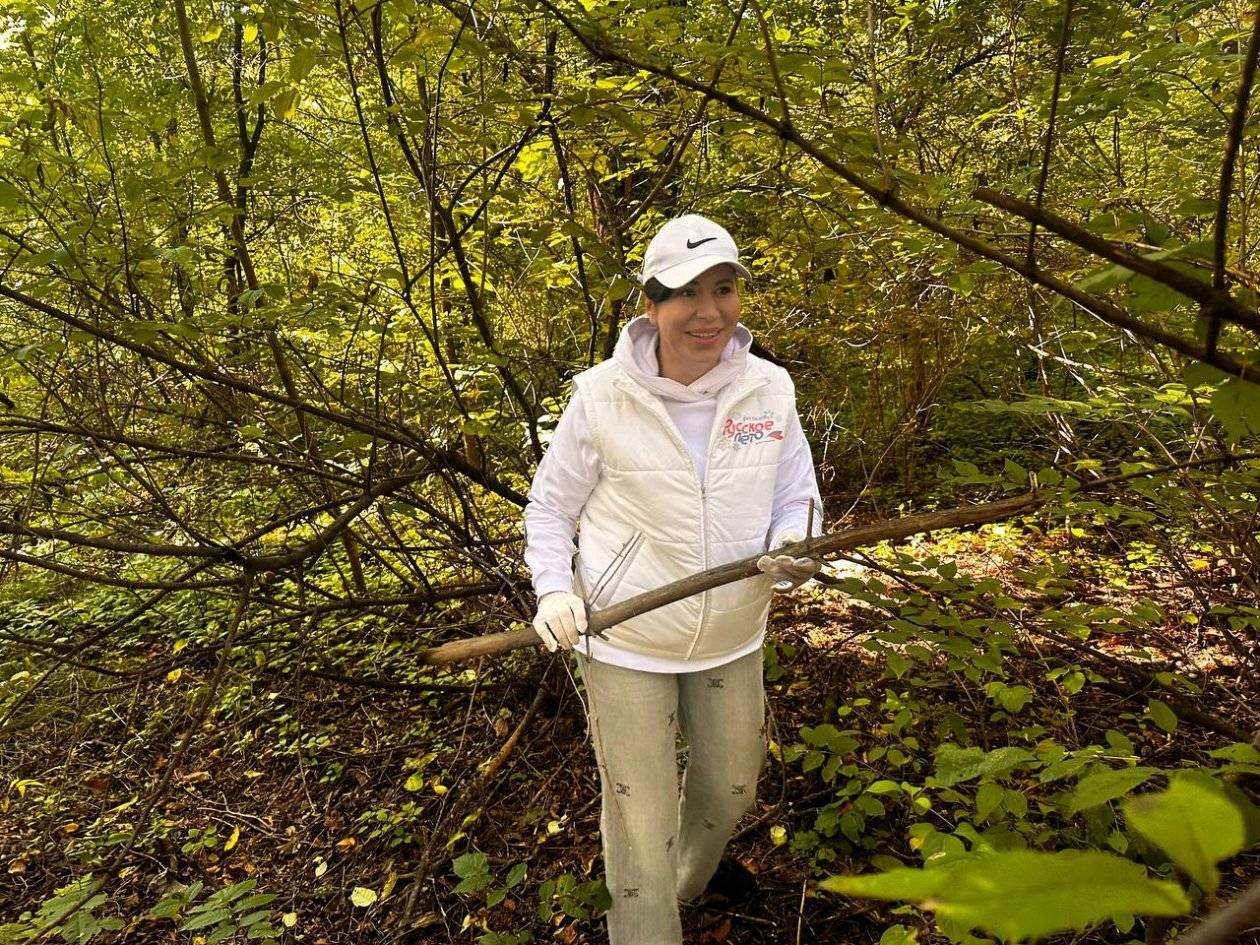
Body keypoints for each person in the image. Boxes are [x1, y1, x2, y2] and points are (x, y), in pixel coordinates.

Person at [523, 214, 823, 945]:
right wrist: (554, 590)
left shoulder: (769, 390)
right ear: (651, 304)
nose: (709, 310)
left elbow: (798, 497)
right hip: (627, 639)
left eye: (724, 288)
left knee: (729, 789)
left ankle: (681, 885)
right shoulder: (600, 397)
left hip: (732, 633)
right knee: (641, 821)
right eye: (687, 292)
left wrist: (794, 547)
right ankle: (645, 924)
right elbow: (550, 508)